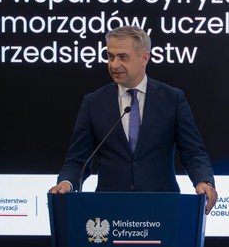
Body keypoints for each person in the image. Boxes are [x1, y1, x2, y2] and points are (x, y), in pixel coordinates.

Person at [48, 26, 218, 214]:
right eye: (110, 57)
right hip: (109, 209)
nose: (114, 65)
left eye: (123, 57)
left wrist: (204, 181)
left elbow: (193, 152)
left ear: (144, 58)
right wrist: (67, 182)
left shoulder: (172, 99)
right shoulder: (93, 103)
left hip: (161, 207)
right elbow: (77, 160)